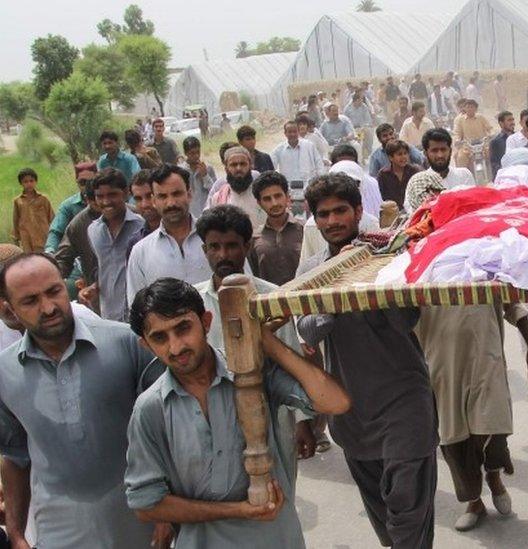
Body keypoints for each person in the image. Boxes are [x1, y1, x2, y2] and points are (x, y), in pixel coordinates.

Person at [124, 278, 349, 549]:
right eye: (160, 337)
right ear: (146, 345)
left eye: (183, 328)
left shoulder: (250, 373)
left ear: (206, 322)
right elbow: (146, 504)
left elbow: (336, 403)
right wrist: (239, 510)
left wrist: (265, 341)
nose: (176, 347)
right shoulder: (151, 408)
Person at [295, 174, 439, 548]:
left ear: (359, 211)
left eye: (340, 210)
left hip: (405, 405)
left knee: (409, 516)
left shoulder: (391, 255)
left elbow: (406, 320)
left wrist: (366, 271)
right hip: (352, 412)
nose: (332, 221)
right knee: (386, 523)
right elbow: (307, 330)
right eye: (323, 214)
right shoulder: (312, 269)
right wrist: (335, 280)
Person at [0, 253, 169, 549]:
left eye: (54, 291)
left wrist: (168, 510)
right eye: (30, 301)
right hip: (59, 532)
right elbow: (15, 458)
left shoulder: (127, 343)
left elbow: (168, 429)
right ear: (10, 310)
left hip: (140, 525)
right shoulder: (5, 373)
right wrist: (15, 534)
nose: (49, 307)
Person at [415, 298, 528, 531]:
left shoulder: (485, 264)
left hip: (486, 358)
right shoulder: (419, 266)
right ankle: (474, 502)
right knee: (454, 437)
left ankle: (494, 477)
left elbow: (512, 303)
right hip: (442, 366)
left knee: (493, 425)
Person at [127, 165, 211, 305]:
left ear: (189, 195)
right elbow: (137, 310)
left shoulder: (216, 240)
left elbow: (245, 286)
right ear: (154, 201)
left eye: (176, 194)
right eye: (162, 196)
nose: (171, 203)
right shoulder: (140, 252)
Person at [86, 168, 144, 322]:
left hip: (139, 316)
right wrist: (93, 287)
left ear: (126, 193)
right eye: (100, 196)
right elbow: (103, 268)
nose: (106, 202)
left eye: (112, 195)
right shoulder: (93, 231)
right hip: (109, 317)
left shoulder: (141, 227)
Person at [249, 172, 305, 286]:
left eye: (278, 196)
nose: (274, 203)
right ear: (259, 203)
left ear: (287, 197)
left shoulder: (305, 230)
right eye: (267, 199)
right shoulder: (254, 238)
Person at [405, 128, 476, 213]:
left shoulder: (464, 175)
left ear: (450, 151)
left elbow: (473, 206)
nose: (440, 155)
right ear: (425, 153)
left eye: (443, 149)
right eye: (434, 150)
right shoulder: (418, 183)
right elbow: (414, 213)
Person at [206, 146, 266, 233]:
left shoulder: (263, 194)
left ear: (250, 166)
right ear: (226, 169)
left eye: (243, 164)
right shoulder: (218, 198)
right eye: (233, 165)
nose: (238, 168)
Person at [46, 163, 96, 253]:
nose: (87, 186)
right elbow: (56, 232)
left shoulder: (107, 202)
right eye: (83, 182)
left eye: (91, 182)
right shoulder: (68, 206)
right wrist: (50, 251)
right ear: (77, 182)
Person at [271, 121, 327, 190]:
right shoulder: (279, 150)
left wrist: (321, 181)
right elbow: (271, 167)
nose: (293, 134)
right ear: (285, 133)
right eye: (290, 132)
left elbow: (319, 163)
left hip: (309, 187)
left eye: (295, 131)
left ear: (298, 132)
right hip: (288, 188)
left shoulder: (309, 145)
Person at [11, 168, 53, 253]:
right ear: (21, 183)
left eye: (31, 181)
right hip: (27, 240)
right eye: (25, 182)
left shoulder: (43, 199)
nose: (29, 184)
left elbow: (52, 218)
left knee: (45, 260)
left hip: (43, 237)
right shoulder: (18, 201)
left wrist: (54, 236)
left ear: (36, 181)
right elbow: (16, 220)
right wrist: (16, 239)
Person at [377, 140, 422, 210]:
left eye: (405, 153)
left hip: (413, 211)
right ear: (390, 157)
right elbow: (381, 197)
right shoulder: (383, 175)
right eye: (399, 154)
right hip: (392, 213)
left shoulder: (415, 171)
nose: (404, 157)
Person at [126, 170, 161, 257]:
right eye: (138, 199)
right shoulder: (135, 243)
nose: (144, 204)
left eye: (149, 196)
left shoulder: (182, 233)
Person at [179, 136, 217, 218]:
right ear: (186, 153)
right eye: (192, 153)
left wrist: (205, 176)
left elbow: (215, 191)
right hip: (189, 213)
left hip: (207, 212)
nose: (196, 156)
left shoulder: (208, 168)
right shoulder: (180, 171)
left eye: (198, 152)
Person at [489, 111, 515, 177]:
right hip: (505, 176)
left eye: (513, 120)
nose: (512, 123)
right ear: (501, 123)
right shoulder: (495, 142)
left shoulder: (519, 138)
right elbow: (494, 165)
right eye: (509, 120)